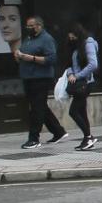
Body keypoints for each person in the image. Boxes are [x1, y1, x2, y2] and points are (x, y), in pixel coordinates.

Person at [16, 15, 67, 149]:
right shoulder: (28, 39)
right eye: (27, 26)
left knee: (36, 109)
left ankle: (34, 138)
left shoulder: (46, 39)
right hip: (28, 77)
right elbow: (23, 54)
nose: (29, 28)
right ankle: (58, 131)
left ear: (39, 26)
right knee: (41, 107)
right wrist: (19, 55)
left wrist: (30, 58)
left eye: (31, 26)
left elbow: (51, 59)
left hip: (40, 78)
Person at [66, 23, 99, 151]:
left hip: (85, 83)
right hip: (78, 83)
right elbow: (69, 63)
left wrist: (77, 76)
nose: (71, 38)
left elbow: (93, 64)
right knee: (81, 111)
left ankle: (88, 136)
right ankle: (87, 138)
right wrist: (70, 74)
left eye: (73, 36)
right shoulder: (74, 46)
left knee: (73, 111)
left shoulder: (88, 44)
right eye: (69, 37)